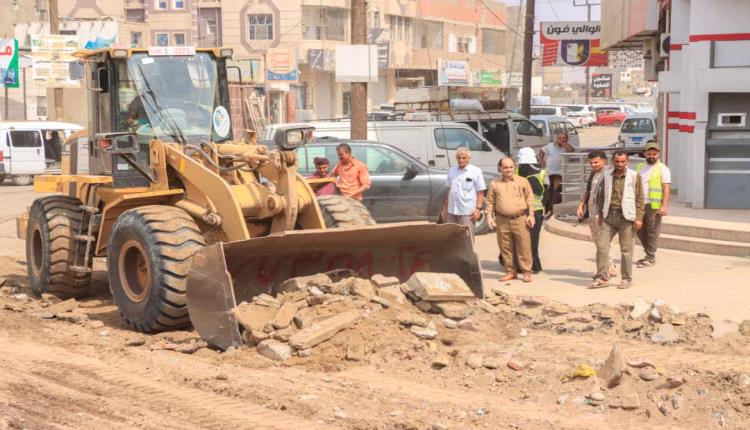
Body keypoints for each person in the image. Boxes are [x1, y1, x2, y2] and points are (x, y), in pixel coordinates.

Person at [591, 150, 645, 289]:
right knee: (602, 246)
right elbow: (602, 195)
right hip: (609, 216)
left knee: (626, 250)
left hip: (626, 217)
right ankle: (602, 277)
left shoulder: (634, 176)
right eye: (617, 161)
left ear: (627, 162)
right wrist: (600, 214)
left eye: (622, 162)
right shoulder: (606, 175)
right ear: (612, 161)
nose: (620, 164)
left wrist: (639, 217)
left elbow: (640, 198)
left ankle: (626, 279)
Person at [486, 157, 536, 283]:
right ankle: (510, 271)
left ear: (515, 167)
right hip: (502, 220)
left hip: (520, 219)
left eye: (510, 167)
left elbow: (530, 199)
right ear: (500, 168)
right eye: (505, 167)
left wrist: (531, 215)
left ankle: (526, 272)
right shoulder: (495, 183)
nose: (508, 170)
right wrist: (489, 217)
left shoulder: (523, 181)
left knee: (524, 246)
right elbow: (490, 201)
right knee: (505, 246)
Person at [576, 151, 617, 278]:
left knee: (602, 241)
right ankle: (608, 266)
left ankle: (607, 268)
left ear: (604, 161)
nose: (593, 165)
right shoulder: (593, 174)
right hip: (592, 212)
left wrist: (604, 213)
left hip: (602, 213)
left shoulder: (609, 174)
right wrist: (581, 204)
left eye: (596, 162)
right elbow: (588, 191)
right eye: (591, 163)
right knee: (597, 241)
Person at [635, 142, 671, 267]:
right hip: (640, 204)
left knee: (652, 231)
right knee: (639, 230)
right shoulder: (640, 166)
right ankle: (648, 254)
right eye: (649, 154)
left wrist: (664, 206)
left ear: (658, 154)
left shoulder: (663, 169)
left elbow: (666, 188)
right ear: (644, 154)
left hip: (653, 205)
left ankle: (650, 257)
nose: (651, 156)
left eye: (654, 154)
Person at [440, 147, 486, 243]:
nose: (461, 160)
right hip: (452, 211)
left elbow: (480, 192)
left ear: (469, 158)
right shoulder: (452, 170)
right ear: (456, 158)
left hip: (467, 212)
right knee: (451, 237)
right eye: (459, 158)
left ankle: (469, 253)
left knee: (467, 238)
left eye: (464, 158)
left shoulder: (476, 171)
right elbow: (450, 190)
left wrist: (478, 209)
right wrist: (445, 208)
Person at [516, 147, 546, 273]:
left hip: (532, 210)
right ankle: (529, 264)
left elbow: (540, 190)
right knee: (527, 239)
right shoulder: (540, 172)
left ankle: (531, 265)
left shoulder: (523, 173)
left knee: (529, 240)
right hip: (530, 210)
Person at [538, 132, 575, 218]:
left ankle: (553, 210)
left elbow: (571, 150)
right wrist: (542, 162)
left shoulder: (567, 146)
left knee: (556, 190)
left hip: (559, 172)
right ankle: (547, 209)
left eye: (563, 138)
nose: (561, 139)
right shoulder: (550, 145)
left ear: (567, 139)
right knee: (548, 190)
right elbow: (541, 151)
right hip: (549, 171)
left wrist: (562, 143)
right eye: (559, 138)